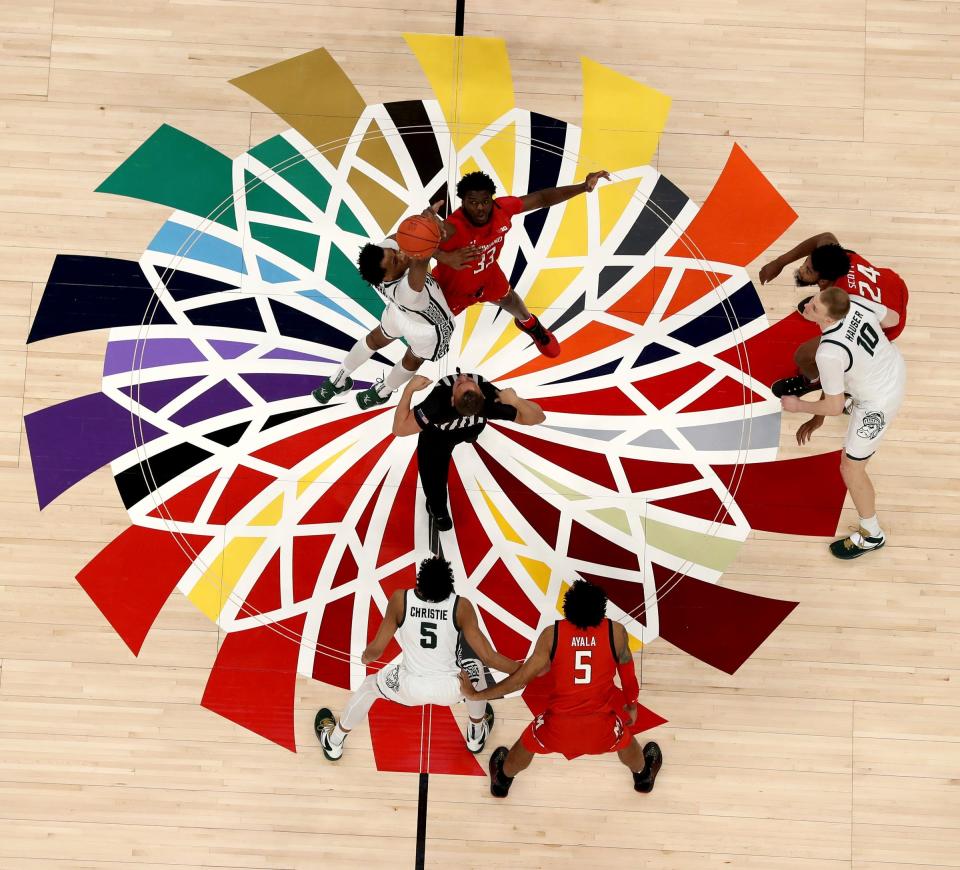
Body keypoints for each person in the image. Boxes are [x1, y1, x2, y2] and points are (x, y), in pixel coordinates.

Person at [459, 578, 662, 798]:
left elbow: (519, 681)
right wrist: (631, 704)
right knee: (626, 740)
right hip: (600, 727)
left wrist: (477, 694)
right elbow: (628, 677)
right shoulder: (616, 633)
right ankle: (643, 776)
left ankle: (502, 780)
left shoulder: (551, 635)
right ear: (601, 609)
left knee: (527, 742)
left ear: (567, 608)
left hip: (558, 727)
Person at [315, 556, 520, 760]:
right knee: (476, 667)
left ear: (419, 582)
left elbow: (376, 651)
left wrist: (366, 657)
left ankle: (334, 741)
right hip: (452, 688)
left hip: (409, 686)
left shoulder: (400, 600)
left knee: (369, 686)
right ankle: (476, 735)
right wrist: (525, 671)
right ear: (450, 585)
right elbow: (490, 658)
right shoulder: (461, 607)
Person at [780, 286, 906, 559]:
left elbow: (833, 408)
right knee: (845, 380)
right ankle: (854, 399)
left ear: (828, 320)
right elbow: (893, 319)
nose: (807, 307)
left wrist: (799, 406)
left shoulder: (828, 352)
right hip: (893, 366)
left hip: (879, 402)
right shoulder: (853, 301)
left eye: (814, 308)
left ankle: (872, 534)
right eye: (813, 301)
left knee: (851, 467)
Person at [432, 169, 611, 358]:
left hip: (488, 275)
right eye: (473, 202)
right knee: (420, 326)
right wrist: (444, 256)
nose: (480, 208)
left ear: (492, 199)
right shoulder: (451, 228)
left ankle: (530, 324)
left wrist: (583, 187)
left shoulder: (502, 209)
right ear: (462, 202)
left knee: (510, 299)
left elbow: (542, 198)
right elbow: (402, 241)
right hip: (451, 290)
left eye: (485, 202)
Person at [311, 206, 454, 409]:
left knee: (373, 340)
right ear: (387, 277)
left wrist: (424, 218)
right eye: (397, 259)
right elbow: (422, 254)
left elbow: (402, 236)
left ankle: (337, 380)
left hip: (396, 314)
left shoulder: (381, 257)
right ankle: (381, 392)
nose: (402, 252)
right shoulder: (409, 292)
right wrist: (429, 224)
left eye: (395, 252)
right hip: (429, 328)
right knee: (413, 359)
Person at [759, 231, 909, 398]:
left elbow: (836, 355)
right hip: (892, 286)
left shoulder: (849, 310)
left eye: (808, 270)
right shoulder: (838, 256)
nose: (801, 269)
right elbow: (825, 237)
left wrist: (821, 409)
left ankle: (813, 381)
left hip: (888, 324)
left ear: (823, 281)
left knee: (803, 356)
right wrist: (779, 262)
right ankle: (819, 304)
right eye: (806, 261)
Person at [392, 372, 545, 531]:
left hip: (470, 427)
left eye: (465, 381)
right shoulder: (438, 402)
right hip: (439, 437)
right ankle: (438, 510)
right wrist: (515, 401)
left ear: (482, 395)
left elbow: (538, 417)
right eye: (461, 383)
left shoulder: (487, 399)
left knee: (434, 468)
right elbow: (399, 429)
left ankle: (470, 434)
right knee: (433, 476)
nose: (463, 376)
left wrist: (409, 389)